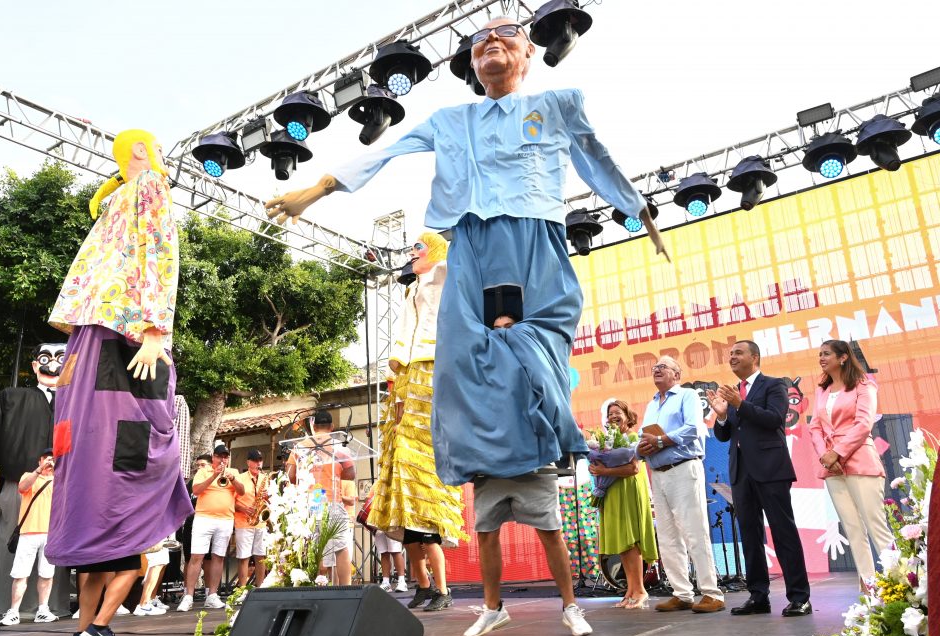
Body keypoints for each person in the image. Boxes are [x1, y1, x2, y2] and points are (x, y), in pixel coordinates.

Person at [266, 18, 664, 491]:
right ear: (472, 62)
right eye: (479, 39)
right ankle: (484, 457)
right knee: (458, 357)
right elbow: (389, 150)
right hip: (471, 241)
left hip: (534, 233)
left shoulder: (556, 103)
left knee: (542, 342)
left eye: (507, 33)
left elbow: (596, 156)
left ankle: (550, 441)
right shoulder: (451, 120)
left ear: (531, 53)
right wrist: (319, 188)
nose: (491, 40)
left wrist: (639, 208)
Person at [47, 129, 194, 636]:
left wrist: (156, 329)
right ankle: (92, 627)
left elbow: (160, 251)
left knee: (119, 451)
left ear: (133, 150)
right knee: (104, 455)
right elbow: (153, 252)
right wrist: (152, 331)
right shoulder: (123, 195)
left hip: (120, 336)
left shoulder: (148, 186)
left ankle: (88, 627)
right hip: (105, 337)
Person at [461, 314, 592, 636]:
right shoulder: (480, 370)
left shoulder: (538, 363)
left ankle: (570, 607)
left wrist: (569, 444)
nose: (503, 335)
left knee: (550, 532)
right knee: (486, 534)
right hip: (491, 466)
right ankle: (493, 609)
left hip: (534, 464)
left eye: (509, 328)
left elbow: (555, 403)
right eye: (497, 330)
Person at [366, 232, 466, 613]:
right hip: (408, 369)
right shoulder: (411, 291)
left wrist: (444, 239)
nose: (411, 253)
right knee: (399, 445)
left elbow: (449, 265)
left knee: (422, 440)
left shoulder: (442, 276)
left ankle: (442, 589)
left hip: (432, 362)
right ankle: (423, 586)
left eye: (417, 248)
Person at [709, 340, 812, 617]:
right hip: (741, 472)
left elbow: (774, 419)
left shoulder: (774, 384)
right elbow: (725, 434)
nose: (732, 357)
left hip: (770, 469)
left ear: (754, 357)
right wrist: (721, 417)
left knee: (783, 531)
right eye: (730, 354)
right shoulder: (735, 393)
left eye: (738, 353)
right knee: (749, 535)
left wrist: (739, 404)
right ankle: (758, 596)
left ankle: (800, 597)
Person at [0, 343, 72, 622]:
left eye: (60, 358)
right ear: (33, 365)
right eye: (45, 358)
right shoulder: (11, 397)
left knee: (55, 550)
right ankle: (5, 608)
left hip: (64, 488)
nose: (52, 364)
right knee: (12, 545)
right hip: (18, 487)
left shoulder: (77, 402)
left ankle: (50, 606)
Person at [637, 356, 724, 614]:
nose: (656, 370)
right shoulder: (651, 404)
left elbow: (694, 429)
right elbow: (645, 436)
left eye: (662, 367)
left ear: (677, 373)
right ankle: (682, 592)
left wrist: (662, 441)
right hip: (658, 472)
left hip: (684, 468)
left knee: (694, 532)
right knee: (667, 536)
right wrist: (640, 448)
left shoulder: (687, 395)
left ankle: (712, 593)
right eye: (654, 368)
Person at [808, 340, 894, 588]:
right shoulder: (822, 390)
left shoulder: (864, 385)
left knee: (875, 524)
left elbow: (864, 424)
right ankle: (870, 588)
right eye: (819, 354)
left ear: (843, 357)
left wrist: (837, 452)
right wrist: (826, 454)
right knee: (853, 528)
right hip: (832, 467)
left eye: (826, 354)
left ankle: (901, 581)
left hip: (860, 460)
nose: (821, 358)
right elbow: (815, 426)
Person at [587, 400, 657, 609]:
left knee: (631, 541)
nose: (613, 417)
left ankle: (641, 590)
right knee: (622, 545)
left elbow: (634, 469)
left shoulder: (634, 438)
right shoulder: (607, 441)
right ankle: (630, 590)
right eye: (610, 414)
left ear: (628, 417)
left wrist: (604, 472)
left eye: (618, 413)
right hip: (613, 492)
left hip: (628, 490)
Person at [286, 410, 356, 585]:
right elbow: (351, 473)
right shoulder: (339, 447)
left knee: (310, 546)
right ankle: (345, 588)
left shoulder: (300, 446)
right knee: (340, 547)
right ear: (332, 427)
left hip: (310, 500)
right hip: (332, 498)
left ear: (313, 426)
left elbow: (291, 476)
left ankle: (310, 585)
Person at [178, 442, 244, 611]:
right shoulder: (203, 471)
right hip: (204, 518)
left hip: (225, 520)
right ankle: (188, 596)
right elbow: (197, 490)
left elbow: (242, 491)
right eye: (219, 456)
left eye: (225, 456)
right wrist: (213, 476)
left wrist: (233, 479)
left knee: (218, 557)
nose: (222, 459)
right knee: (196, 557)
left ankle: (212, 595)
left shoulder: (234, 472)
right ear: (213, 458)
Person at [0, 449, 58, 625]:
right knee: (20, 574)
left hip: (51, 534)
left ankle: (43, 610)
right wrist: (39, 470)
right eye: (47, 458)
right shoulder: (29, 475)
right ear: (40, 460)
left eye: (53, 459)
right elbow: (22, 487)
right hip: (28, 532)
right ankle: (13, 611)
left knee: (47, 574)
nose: (49, 462)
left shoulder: (60, 479)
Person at [234, 449, 270, 587]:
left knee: (261, 557)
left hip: (260, 523)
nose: (258, 463)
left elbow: (269, 501)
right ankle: (242, 589)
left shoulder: (264, 478)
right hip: (243, 522)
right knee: (244, 557)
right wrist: (243, 508)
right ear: (248, 462)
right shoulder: (240, 478)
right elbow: (231, 501)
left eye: (260, 460)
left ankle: (260, 588)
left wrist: (268, 497)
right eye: (255, 460)